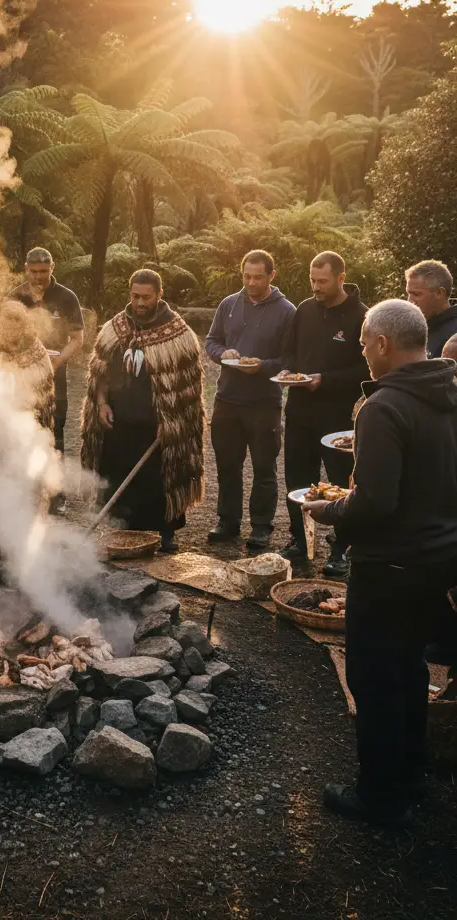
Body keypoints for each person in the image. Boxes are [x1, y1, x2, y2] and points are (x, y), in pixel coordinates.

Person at [304, 300, 457, 826]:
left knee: (372, 678)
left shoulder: (384, 406)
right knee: (409, 667)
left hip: (390, 565)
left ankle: (379, 796)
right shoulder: (449, 391)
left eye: (366, 342)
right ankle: (410, 775)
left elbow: (374, 503)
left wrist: (327, 509)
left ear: (385, 344)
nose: (364, 350)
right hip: (440, 561)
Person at [81, 270, 206, 553]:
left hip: (158, 426)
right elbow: (98, 373)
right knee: (119, 475)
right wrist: (101, 403)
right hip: (119, 421)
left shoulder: (179, 334)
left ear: (159, 295)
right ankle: (124, 530)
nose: (139, 302)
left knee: (159, 480)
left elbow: (189, 388)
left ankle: (165, 533)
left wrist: (171, 421)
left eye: (146, 297)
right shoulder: (115, 329)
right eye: (135, 296)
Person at [280, 252, 369, 576]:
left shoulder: (361, 316)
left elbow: (365, 367)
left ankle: (339, 550)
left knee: (340, 484)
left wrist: (326, 380)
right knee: (297, 480)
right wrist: (289, 369)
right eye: (312, 281)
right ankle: (300, 543)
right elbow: (288, 347)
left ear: (341, 278)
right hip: (299, 412)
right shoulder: (304, 309)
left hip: (336, 419)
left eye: (322, 281)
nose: (315, 287)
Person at [204, 250, 296, 550]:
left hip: (264, 402)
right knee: (227, 465)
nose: (252, 282)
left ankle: (261, 527)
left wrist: (264, 365)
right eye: (247, 276)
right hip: (227, 399)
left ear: (272, 275)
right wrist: (222, 354)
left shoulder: (287, 311)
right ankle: (227, 522)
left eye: (258, 277)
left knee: (263, 467)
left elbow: (290, 358)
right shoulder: (228, 304)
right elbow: (212, 341)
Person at [9, 248, 85, 513]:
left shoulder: (66, 297)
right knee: (20, 432)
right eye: (34, 271)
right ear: (26, 268)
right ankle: (21, 490)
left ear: (52, 267)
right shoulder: (15, 296)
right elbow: (4, 338)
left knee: (56, 432)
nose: (39, 277)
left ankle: (55, 495)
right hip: (20, 379)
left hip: (55, 376)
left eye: (44, 271)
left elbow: (77, 339)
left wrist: (57, 361)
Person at [0, 300, 56, 432]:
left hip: (34, 413)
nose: (12, 324)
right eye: (8, 319)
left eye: (17, 320)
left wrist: (13, 378)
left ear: (24, 324)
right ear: (0, 322)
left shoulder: (33, 344)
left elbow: (45, 373)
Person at [404, 259, 457, 358]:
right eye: (409, 293)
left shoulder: (454, 334)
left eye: (416, 294)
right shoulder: (413, 328)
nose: (410, 301)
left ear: (439, 293)